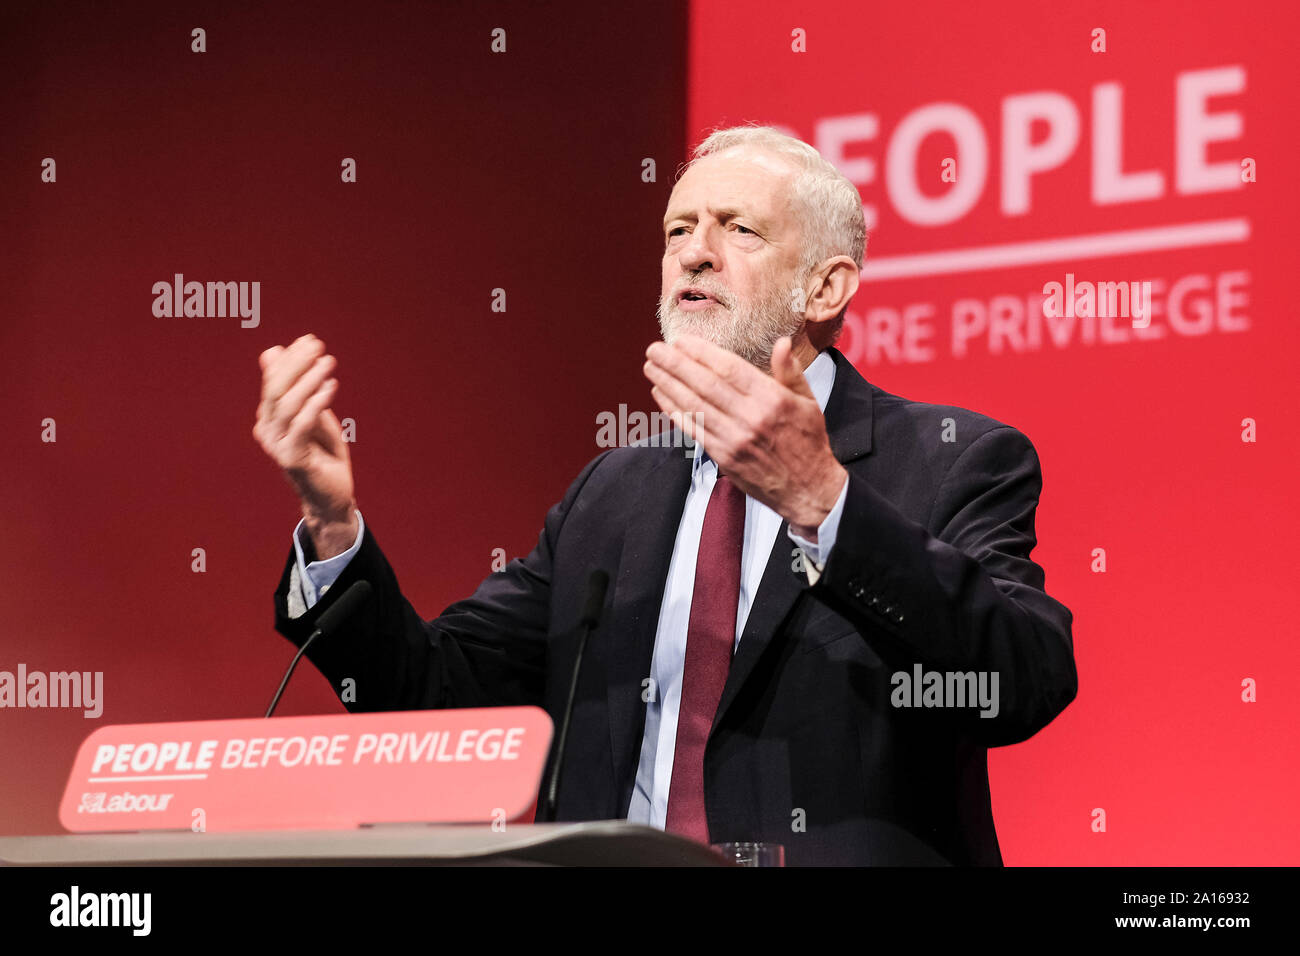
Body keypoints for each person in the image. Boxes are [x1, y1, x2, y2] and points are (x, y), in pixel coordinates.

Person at [252, 126, 1077, 866]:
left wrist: (825, 500)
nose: (693, 252)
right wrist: (331, 528)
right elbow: (434, 694)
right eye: (678, 230)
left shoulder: (955, 461)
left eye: (738, 229)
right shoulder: (612, 493)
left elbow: (1022, 683)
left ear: (826, 290)